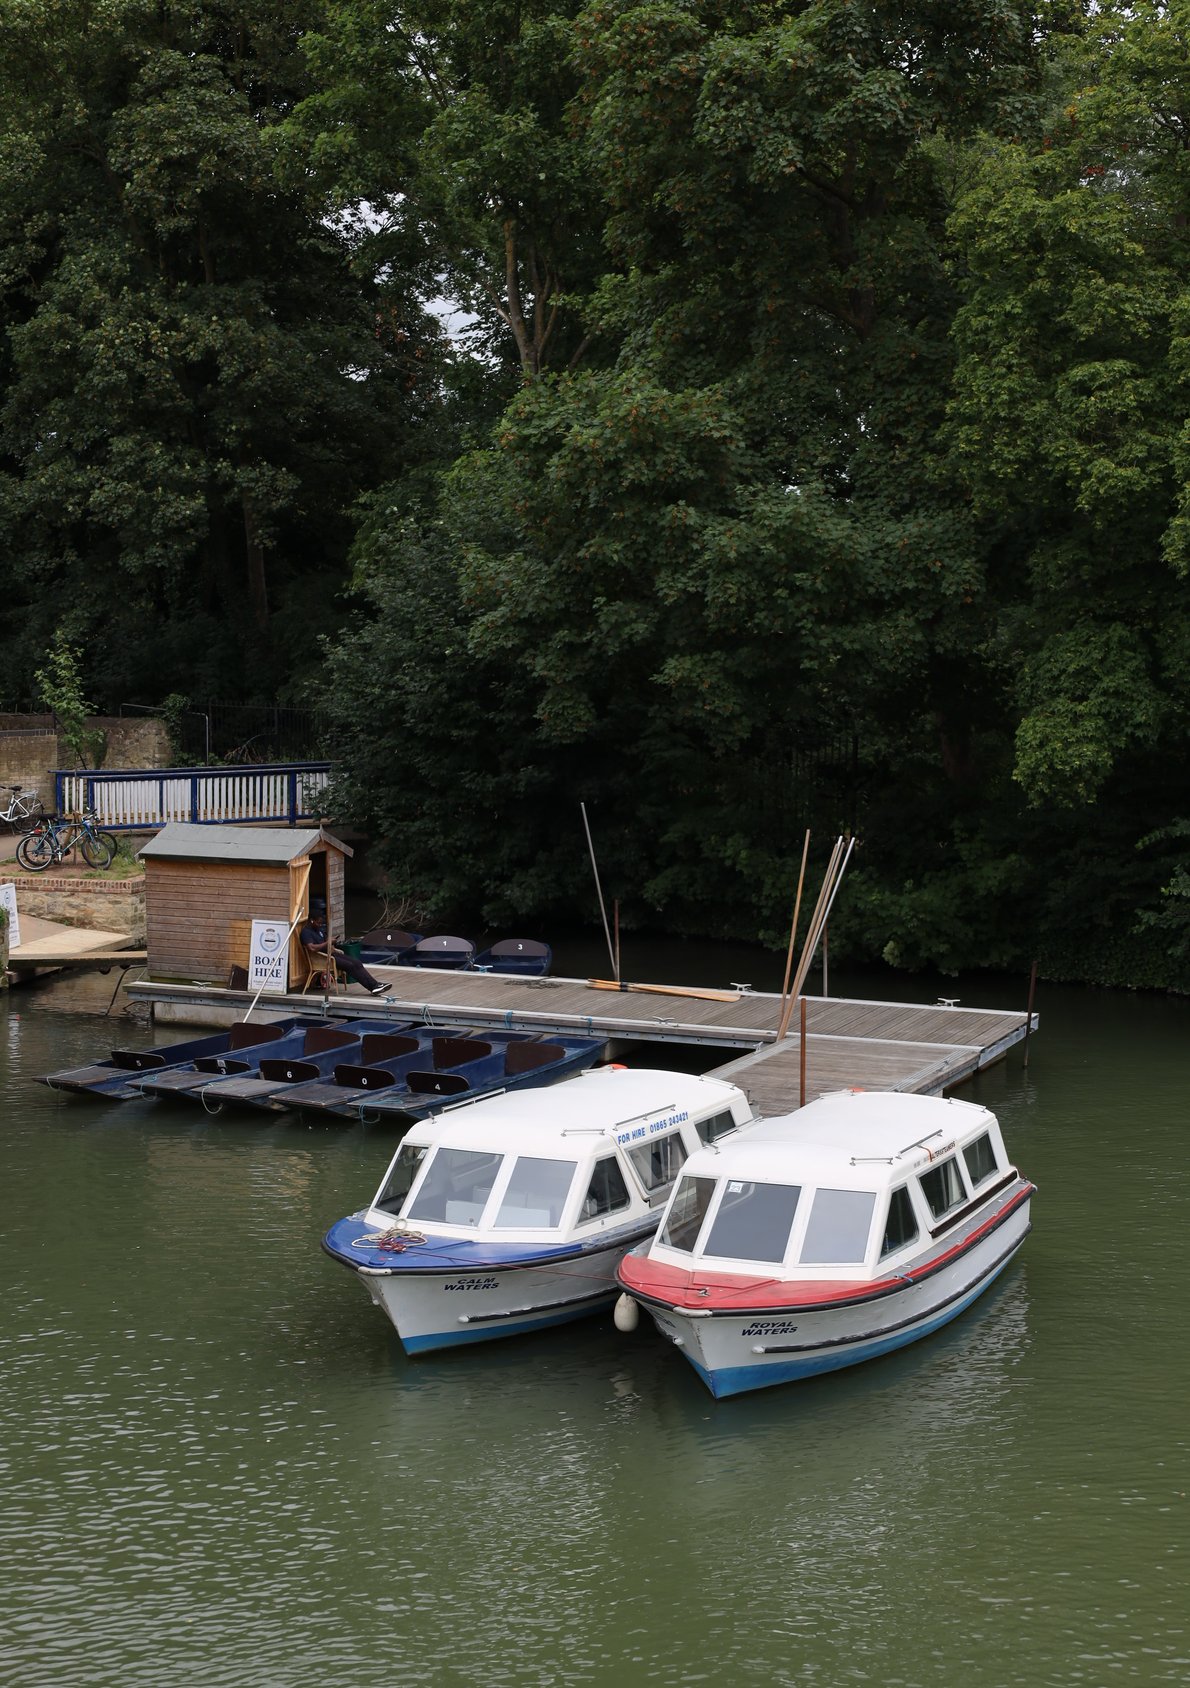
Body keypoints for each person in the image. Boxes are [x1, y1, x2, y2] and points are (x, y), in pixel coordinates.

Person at [299, 897, 389, 995]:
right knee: (350, 966)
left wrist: (333, 943)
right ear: (312, 921)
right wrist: (328, 943)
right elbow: (312, 948)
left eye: (321, 923)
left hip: (331, 954)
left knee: (357, 962)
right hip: (323, 959)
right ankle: (372, 987)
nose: (320, 925)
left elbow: (326, 941)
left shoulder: (318, 930)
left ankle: (375, 985)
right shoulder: (306, 932)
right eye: (318, 923)